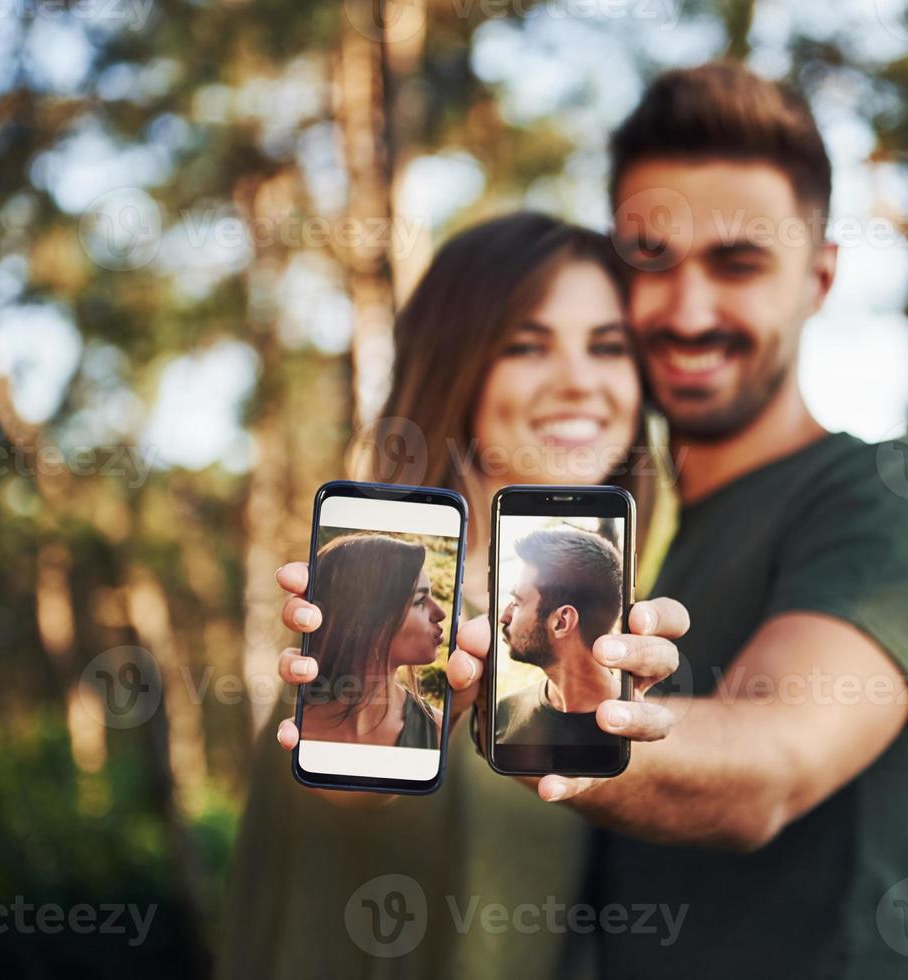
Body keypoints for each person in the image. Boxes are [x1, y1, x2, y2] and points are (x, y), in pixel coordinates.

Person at [443, 63, 908, 979]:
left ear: (818, 279)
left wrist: (558, 720)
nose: (688, 310)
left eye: (737, 263)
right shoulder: (635, 551)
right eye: (650, 261)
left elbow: (768, 765)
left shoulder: (892, 499)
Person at [217, 212, 686, 980]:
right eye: (528, 344)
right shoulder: (390, 584)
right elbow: (357, 785)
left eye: (609, 345)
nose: (581, 379)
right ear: (458, 362)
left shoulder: (621, 626)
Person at [297, 533, 445, 750]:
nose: (440, 613)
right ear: (365, 619)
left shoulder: (440, 732)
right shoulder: (295, 734)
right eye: (420, 600)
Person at [496, 526, 625, 747]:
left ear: (561, 622)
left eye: (517, 603)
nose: (504, 617)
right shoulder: (506, 712)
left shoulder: (632, 731)